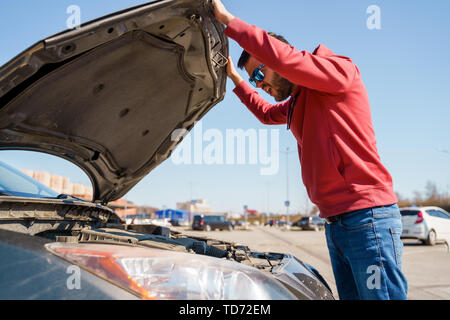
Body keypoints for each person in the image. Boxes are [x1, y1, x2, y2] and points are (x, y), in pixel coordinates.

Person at [212, 0, 408, 300]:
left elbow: (291, 61)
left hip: (368, 219)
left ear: (276, 59)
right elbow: (265, 113)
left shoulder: (339, 73)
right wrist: (237, 79)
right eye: (254, 78)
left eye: (259, 74)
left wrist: (229, 20)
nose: (259, 83)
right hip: (336, 225)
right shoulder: (297, 103)